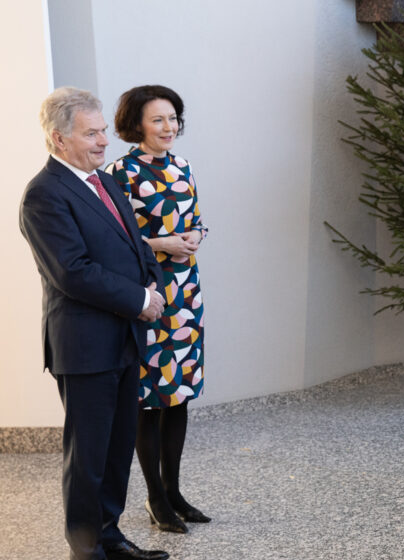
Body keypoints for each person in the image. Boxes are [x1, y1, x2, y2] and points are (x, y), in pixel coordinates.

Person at [19, 87, 169, 560]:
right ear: (59, 138)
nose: (105, 141)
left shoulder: (104, 182)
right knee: (87, 457)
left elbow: (138, 248)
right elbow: (72, 271)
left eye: (104, 130)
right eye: (92, 133)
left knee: (117, 447)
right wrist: (139, 298)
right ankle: (85, 549)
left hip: (124, 337)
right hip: (84, 346)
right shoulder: (44, 194)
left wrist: (153, 283)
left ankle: (110, 536)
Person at [108, 85, 210, 534]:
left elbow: (195, 220)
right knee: (149, 398)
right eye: (158, 120)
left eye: (173, 119)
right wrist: (162, 244)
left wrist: (194, 238)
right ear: (136, 125)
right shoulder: (119, 173)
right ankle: (154, 498)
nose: (169, 128)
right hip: (148, 295)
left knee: (179, 394)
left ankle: (175, 491)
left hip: (186, 291)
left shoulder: (184, 166)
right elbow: (111, 243)